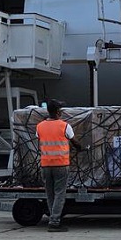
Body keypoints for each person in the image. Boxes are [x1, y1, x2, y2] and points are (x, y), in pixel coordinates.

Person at [36, 99, 82, 232]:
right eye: (60, 109)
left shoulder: (40, 126)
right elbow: (74, 142)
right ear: (57, 111)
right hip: (60, 164)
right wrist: (79, 148)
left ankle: (53, 218)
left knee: (50, 194)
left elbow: (41, 139)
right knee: (59, 194)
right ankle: (55, 222)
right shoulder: (64, 126)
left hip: (45, 164)